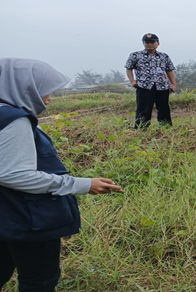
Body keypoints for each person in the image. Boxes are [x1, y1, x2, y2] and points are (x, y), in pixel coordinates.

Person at [0, 58, 123, 292]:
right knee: (39, 280)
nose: (50, 97)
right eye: (45, 89)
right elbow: (12, 174)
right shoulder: (15, 121)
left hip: (6, 214)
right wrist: (82, 184)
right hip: (28, 218)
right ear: (25, 87)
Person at [124, 33, 177, 129]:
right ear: (143, 43)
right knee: (143, 109)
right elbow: (129, 68)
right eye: (146, 42)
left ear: (158, 43)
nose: (149, 44)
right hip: (144, 86)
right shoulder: (135, 55)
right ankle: (141, 128)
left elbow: (169, 70)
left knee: (164, 108)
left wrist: (173, 84)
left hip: (162, 86)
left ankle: (166, 128)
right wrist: (132, 81)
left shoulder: (164, 56)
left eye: (152, 42)